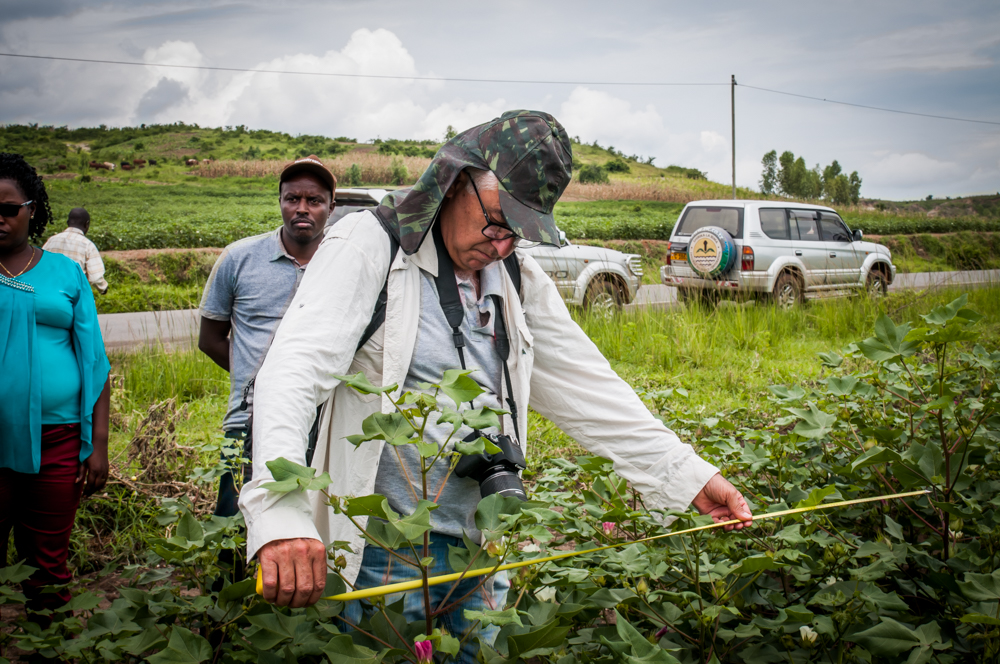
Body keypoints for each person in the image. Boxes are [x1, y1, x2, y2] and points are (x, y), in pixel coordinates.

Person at [239, 111, 752, 661]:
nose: (502, 244)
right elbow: (292, 374)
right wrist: (281, 514)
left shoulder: (515, 275)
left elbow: (589, 387)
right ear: (456, 180)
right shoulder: (370, 245)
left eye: (518, 231)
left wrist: (687, 477)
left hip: (481, 549)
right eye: (497, 220)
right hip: (381, 552)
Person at [0, 153, 111, 621]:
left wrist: (99, 444)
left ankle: (47, 642)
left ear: (31, 209)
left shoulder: (65, 273)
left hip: (58, 439)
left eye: (8, 208)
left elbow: (95, 361)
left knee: (47, 560)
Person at [198, 155, 335, 518]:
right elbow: (210, 339)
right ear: (280, 201)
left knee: (313, 522)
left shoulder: (344, 264)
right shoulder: (239, 258)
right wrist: (265, 383)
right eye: (293, 199)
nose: (302, 209)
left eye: (314, 200)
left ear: (330, 207)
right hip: (250, 419)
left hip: (325, 420)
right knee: (237, 522)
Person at [42, 207, 110, 294]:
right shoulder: (87, 245)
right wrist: (103, 288)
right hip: (72, 295)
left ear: (67, 223)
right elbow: (95, 277)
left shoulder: (51, 241)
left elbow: (40, 266)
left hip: (48, 292)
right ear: (87, 224)